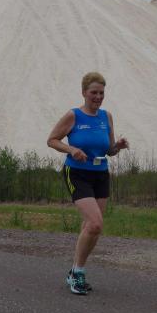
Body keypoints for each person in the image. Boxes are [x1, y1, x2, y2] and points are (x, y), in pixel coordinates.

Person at [47, 72, 129, 295]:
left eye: (101, 93)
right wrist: (71, 149)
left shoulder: (106, 116)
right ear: (84, 92)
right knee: (95, 224)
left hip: (100, 173)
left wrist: (118, 146)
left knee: (91, 226)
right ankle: (78, 273)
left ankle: (75, 271)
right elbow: (52, 140)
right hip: (77, 173)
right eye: (94, 92)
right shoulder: (73, 116)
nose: (98, 97)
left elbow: (109, 150)